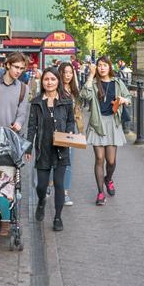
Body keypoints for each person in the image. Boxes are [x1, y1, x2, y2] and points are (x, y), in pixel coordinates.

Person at [25, 67, 75, 231]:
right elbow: (31, 126)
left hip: (61, 149)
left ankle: (58, 217)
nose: (50, 82)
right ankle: (41, 202)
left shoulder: (66, 100)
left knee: (59, 184)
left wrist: (69, 132)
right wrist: (29, 147)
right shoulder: (37, 102)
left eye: (53, 79)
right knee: (41, 186)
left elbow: (70, 121)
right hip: (43, 148)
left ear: (58, 81)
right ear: (42, 81)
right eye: (46, 79)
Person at [79, 57, 131, 206]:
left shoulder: (117, 83)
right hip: (97, 123)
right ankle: (100, 193)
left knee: (111, 160)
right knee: (99, 159)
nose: (102, 68)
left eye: (104, 65)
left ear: (109, 67)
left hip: (112, 123)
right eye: (99, 66)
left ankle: (108, 179)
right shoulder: (94, 84)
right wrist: (90, 75)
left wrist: (123, 100)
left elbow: (129, 98)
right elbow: (84, 95)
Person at [57, 61, 84, 206]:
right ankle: (49, 184)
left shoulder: (74, 91)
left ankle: (65, 193)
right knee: (52, 159)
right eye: (65, 72)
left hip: (70, 129)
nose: (67, 75)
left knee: (67, 162)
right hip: (55, 128)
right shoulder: (54, 87)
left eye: (70, 73)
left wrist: (80, 131)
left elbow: (78, 113)